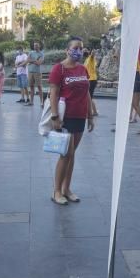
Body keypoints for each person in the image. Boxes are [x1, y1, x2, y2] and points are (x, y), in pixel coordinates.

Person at [48, 37, 95, 205]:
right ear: (67, 50)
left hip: (80, 116)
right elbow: (53, 93)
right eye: (75, 48)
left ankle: (67, 189)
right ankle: (57, 191)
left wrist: (90, 115)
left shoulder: (83, 69)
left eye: (81, 48)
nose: (79, 51)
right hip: (65, 117)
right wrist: (55, 117)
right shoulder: (58, 69)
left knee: (72, 154)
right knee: (65, 154)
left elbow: (87, 93)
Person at [27, 40, 45, 106]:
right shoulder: (31, 52)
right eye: (34, 45)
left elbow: (39, 63)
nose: (35, 46)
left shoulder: (41, 54)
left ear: (39, 46)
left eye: (36, 45)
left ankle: (41, 102)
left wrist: (31, 61)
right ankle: (31, 102)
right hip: (30, 72)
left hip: (37, 72)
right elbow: (27, 60)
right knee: (31, 87)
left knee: (39, 87)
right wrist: (35, 60)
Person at [84, 48, 99, 117]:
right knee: (89, 96)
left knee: (89, 96)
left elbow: (92, 55)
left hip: (92, 80)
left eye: (85, 50)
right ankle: (94, 111)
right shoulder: (86, 60)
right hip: (90, 79)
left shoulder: (90, 58)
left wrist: (93, 52)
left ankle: (91, 112)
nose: (84, 51)